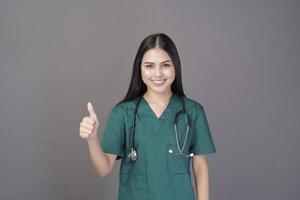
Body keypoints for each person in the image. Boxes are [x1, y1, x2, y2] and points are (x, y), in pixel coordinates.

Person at [79, 33, 216, 200]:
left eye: (165, 65)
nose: (157, 73)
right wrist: (92, 139)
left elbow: (200, 168)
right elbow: (103, 169)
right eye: (149, 66)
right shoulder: (123, 114)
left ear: (176, 67)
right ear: (140, 68)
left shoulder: (193, 112)